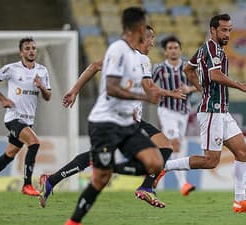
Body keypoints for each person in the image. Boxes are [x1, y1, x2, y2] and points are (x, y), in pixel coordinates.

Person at [39, 25, 184, 209]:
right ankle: (52, 180)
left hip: (133, 119)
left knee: (165, 145)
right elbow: (96, 67)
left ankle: (146, 186)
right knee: (98, 157)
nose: (153, 43)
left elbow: (97, 68)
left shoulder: (138, 59)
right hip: (120, 119)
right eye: (151, 38)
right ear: (142, 39)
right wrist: (74, 90)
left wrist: (75, 90)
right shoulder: (133, 58)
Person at [64, 7, 169, 225]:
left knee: (156, 162)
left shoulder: (137, 57)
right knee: (101, 181)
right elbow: (112, 88)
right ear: (140, 28)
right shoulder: (117, 51)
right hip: (105, 123)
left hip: (126, 123)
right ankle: (73, 221)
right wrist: (144, 95)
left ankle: (107, 166)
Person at [153, 14, 246, 213]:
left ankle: (240, 201)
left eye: (229, 29)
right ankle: (164, 166)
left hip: (221, 110)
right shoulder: (212, 48)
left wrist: (200, 88)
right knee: (211, 161)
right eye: (223, 30)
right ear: (213, 30)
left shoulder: (210, 49)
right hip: (212, 111)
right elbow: (214, 74)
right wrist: (239, 85)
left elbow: (188, 69)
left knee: (243, 152)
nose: (227, 33)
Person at [0, 37, 52, 201]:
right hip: (13, 118)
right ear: (21, 52)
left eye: (33, 48)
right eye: (27, 48)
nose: (31, 51)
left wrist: (41, 87)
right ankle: (27, 185)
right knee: (34, 143)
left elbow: (48, 97)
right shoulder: (12, 69)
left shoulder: (42, 71)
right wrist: (3, 99)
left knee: (9, 155)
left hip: (28, 120)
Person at [152, 35, 197, 196]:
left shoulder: (188, 66)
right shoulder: (159, 69)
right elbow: (149, 85)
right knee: (176, 143)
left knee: (175, 147)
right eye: (170, 48)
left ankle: (156, 171)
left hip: (184, 112)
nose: (173, 51)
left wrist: (189, 89)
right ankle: (183, 184)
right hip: (166, 111)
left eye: (175, 48)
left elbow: (201, 85)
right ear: (165, 52)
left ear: (180, 49)